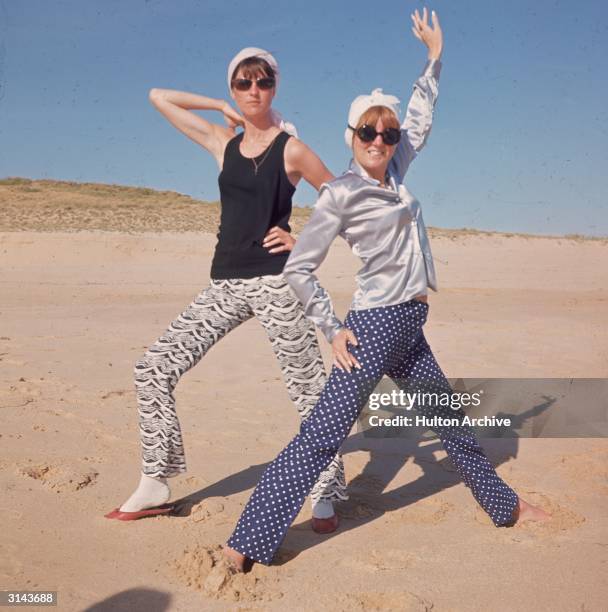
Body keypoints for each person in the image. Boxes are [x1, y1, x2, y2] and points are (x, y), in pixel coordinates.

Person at [223, 8, 549, 570]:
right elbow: (301, 267)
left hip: (410, 328)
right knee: (322, 436)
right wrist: (332, 327)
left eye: (387, 132)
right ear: (352, 136)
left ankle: (506, 508)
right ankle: (244, 543)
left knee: (451, 425)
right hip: (372, 327)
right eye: (369, 131)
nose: (379, 139)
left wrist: (433, 59)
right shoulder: (340, 194)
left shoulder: (396, 172)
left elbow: (420, 118)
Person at [104, 47, 348, 532]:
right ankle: (156, 481)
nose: (253, 91)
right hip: (225, 282)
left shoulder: (292, 148)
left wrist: (305, 239)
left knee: (307, 392)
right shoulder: (223, 142)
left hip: (279, 282)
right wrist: (217, 108)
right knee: (153, 368)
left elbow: (342, 196)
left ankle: (329, 489)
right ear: (233, 88)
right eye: (243, 83)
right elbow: (159, 97)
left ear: (274, 87)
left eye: (261, 83)